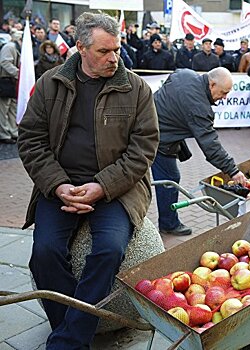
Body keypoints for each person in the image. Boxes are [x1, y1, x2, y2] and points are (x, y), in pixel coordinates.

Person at [17, 12, 159, 348]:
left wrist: (102, 186)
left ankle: (67, 341)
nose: (114, 58)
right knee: (45, 252)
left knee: (109, 250)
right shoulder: (51, 83)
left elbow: (143, 149)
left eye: (117, 50)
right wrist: (58, 185)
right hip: (60, 188)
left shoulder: (136, 88)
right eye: (104, 51)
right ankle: (72, 330)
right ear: (81, 48)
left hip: (116, 191)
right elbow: (31, 140)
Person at [152, 67, 246, 235]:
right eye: (223, 93)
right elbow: (210, 145)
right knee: (169, 179)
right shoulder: (199, 107)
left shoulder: (185, 74)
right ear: (212, 84)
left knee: (169, 177)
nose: (224, 98)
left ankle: (167, 221)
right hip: (156, 138)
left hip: (153, 124)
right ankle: (168, 224)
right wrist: (233, 170)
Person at [0, 30, 22, 144]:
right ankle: (4, 134)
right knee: (4, 108)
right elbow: (5, 62)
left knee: (12, 107)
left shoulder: (15, 47)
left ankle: (13, 131)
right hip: (5, 80)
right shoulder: (10, 47)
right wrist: (19, 73)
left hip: (11, 81)